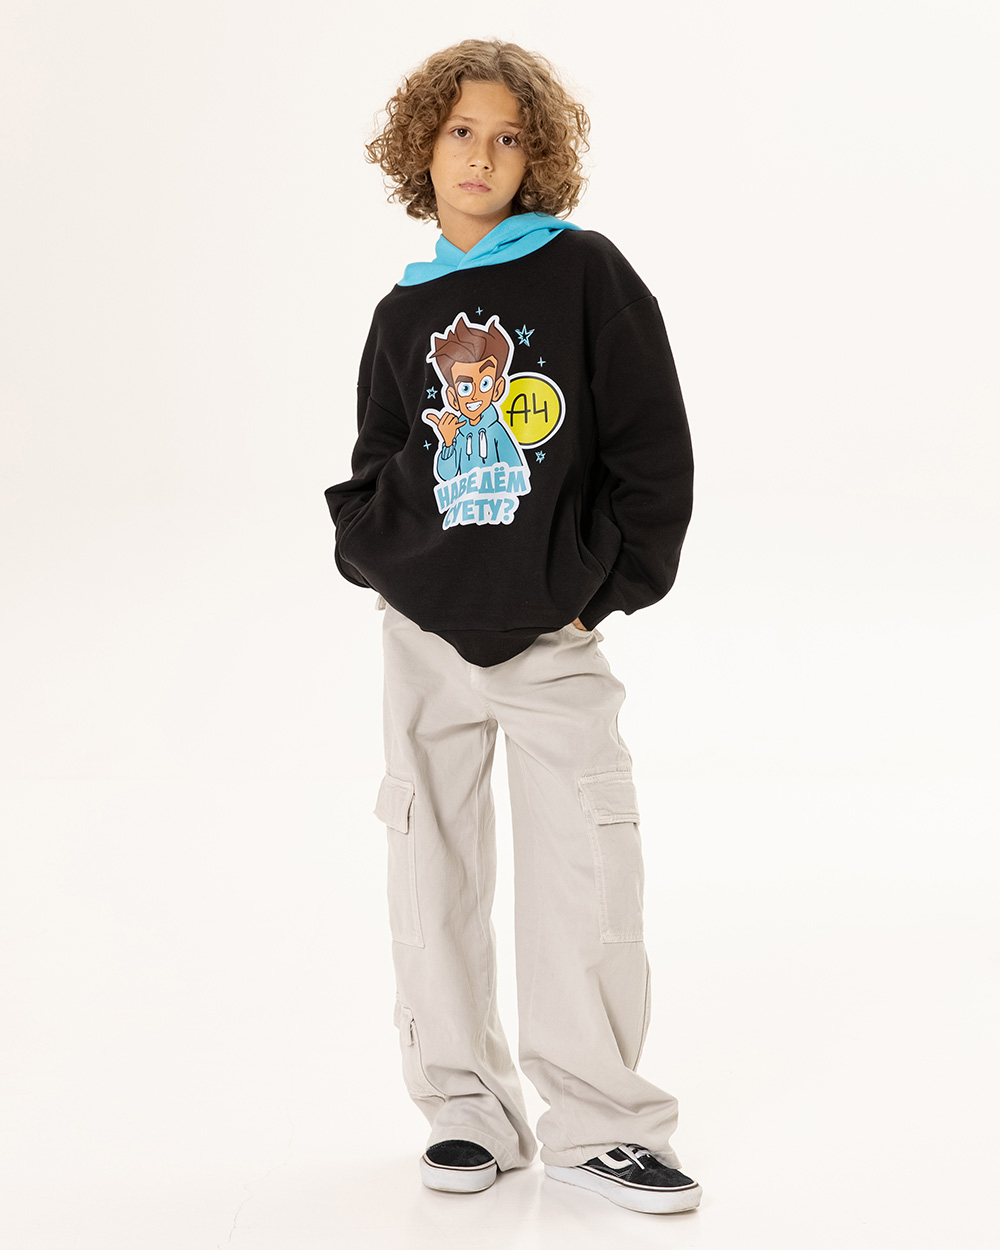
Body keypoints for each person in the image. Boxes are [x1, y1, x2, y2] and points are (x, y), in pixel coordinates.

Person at [323, 39, 700, 1215]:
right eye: (459, 132)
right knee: (429, 865)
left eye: (506, 137)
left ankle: (598, 1120)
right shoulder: (403, 312)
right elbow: (376, 461)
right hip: (424, 635)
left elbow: (652, 453)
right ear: (422, 148)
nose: (481, 156)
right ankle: (464, 1109)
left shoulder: (585, 274)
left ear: (536, 157)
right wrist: (384, 561)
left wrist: (602, 587)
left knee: (587, 865)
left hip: (549, 634)